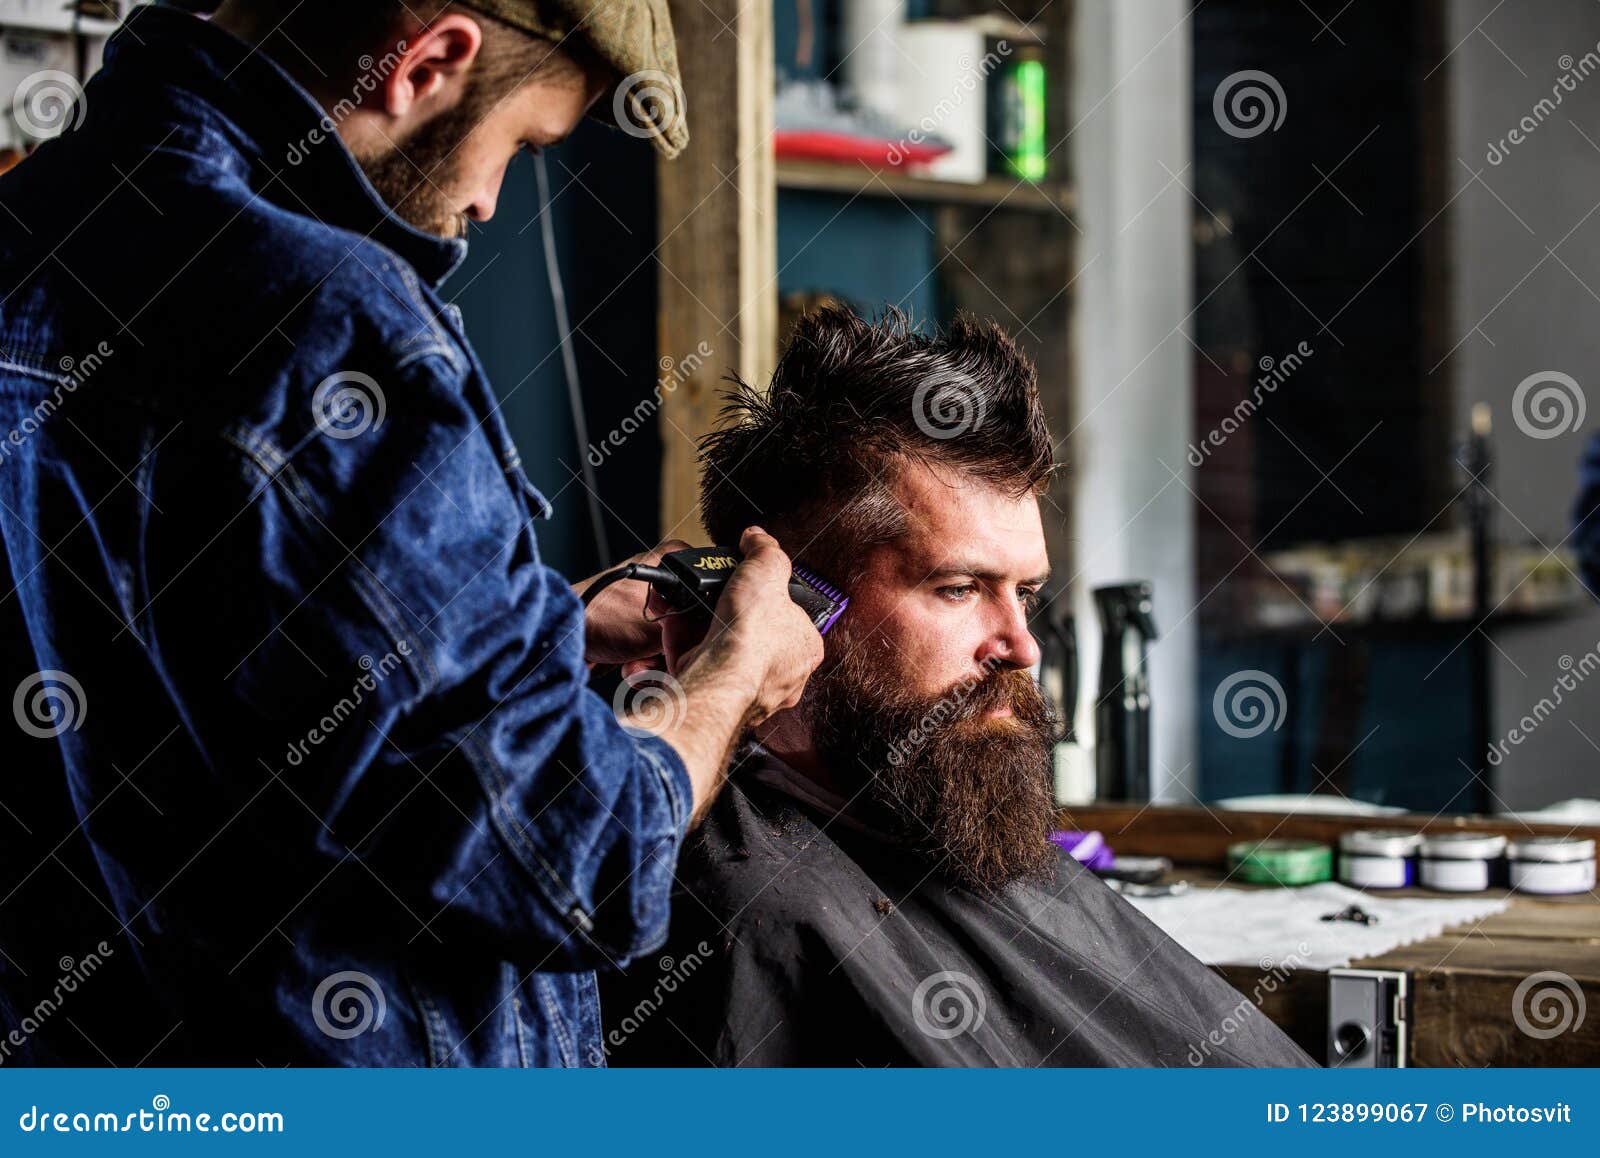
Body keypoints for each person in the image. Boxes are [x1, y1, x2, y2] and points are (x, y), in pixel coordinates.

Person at [0, 1, 820, 1065]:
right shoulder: (337, 326)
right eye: (520, 144)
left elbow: (172, 677)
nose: (486, 201)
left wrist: (540, 636)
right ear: (427, 63)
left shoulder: (36, 225)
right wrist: (732, 678)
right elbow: (575, 864)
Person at [600, 307, 1317, 1067]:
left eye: (1027, 591)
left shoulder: (929, 812)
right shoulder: (754, 915)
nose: (1022, 646)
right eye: (959, 588)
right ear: (791, 606)